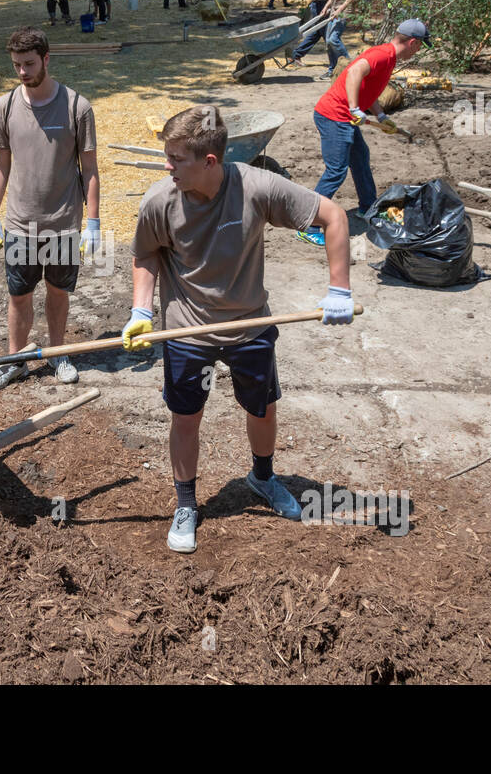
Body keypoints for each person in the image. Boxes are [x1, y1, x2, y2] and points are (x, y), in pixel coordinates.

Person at [122, 106, 354, 554]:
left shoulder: (256, 186)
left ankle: (262, 478)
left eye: (175, 158)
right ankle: (187, 503)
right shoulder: (159, 201)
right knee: (186, 419)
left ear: (209, 162)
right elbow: (146, 254)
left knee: (262, 408)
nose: (166, 166)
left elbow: (334, 217)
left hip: (251, 323)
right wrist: (141, 311)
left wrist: (339, 290)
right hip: (187, 330)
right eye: (165, 156)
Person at [0, 28, 100, 389]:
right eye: (17, 65)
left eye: (29, 64)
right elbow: (1, 164)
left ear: (47, 59)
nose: (22, 71)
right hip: (20, 223)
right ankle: (15, 360)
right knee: (18, 295)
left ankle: (57, 354)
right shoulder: (4, 108)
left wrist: (93, 221)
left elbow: (91, 170)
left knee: (57, 292)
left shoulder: (76, 107)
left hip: (64, 224)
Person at [299, 19, 431, 247]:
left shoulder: (389, 58)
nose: (418, 50)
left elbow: (368, 90)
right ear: (412, 42)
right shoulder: (381, 55)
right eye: (420, 46)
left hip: (345, 117)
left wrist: (380, 115)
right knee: (336, 171)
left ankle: (367, 207)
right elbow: (354, 73)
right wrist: (353, 108)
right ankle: (307, 224)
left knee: (360, 160)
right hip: (334, 116)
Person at [318, 0, 360, 80]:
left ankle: (351, 68)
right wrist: (326, 7)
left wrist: (341, 9)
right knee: (328, 41)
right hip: (333, 11)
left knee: (333, 39)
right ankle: (332, 71)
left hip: (342, 11)